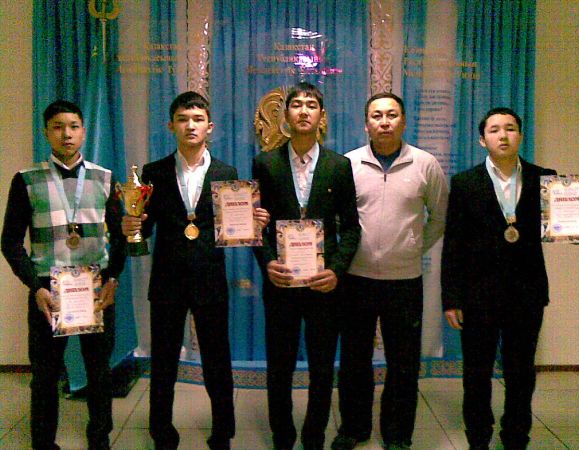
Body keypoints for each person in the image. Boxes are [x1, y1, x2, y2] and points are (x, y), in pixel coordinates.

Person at [121, 91, 268, 450]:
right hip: (167, 281)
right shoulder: (153, 173)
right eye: (183, 119)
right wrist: (132, 226)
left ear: (209, 127)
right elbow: (146, 227)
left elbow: (233, 228)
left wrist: (253, 222)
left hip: (209, 279)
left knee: (218, 361)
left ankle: (223, 431)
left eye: (198, 119)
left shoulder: (226, 174)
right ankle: (161, 432)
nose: (191, 125)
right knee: (164, 362)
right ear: (171, 125)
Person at [1, 100, 126, 450]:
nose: (66, 134)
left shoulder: (104, 178)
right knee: (44, 374)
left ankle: (99, 438)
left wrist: (113, 278)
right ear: (46, 133)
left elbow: (121, 236)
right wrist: (34, 286)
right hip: (47, 290)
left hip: (95, 289)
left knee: (99, 371)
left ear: (83, 131)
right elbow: (10, 241)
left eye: (73, 126)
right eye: (57, 127)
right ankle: (43, 442)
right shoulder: (26, 180)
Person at [332, 93, 448, 450]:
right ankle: (354, 428)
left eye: (392, 115)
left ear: (404, 121)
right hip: (357, 278)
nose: (384, 122)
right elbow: (337, 219)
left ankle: (397, 434)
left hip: (404, 281)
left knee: (404, 363)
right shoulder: (348, 163)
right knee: (354, 360)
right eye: (377, 115)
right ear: (366, 123)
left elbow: (439, 217)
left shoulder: (425, 164)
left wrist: (412, 248)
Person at [252, 82, 360, 450]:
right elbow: (255, 226)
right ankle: (282, 437)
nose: (303, 111)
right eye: (296, 104)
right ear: (286, 115)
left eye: (311, 105)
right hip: (281, 283)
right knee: (279, 367)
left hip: (322, 284)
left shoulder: (339, 165)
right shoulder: (266, 163)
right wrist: (267, 263)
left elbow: (352, 228)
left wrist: (337, 271)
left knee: (321, 367)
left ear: (321, 116)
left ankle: (314, 436)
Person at [441, 107, 557, 450]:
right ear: (482, 140)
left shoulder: (546, 180)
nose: (503, 135)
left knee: (521, 372)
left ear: (520, 135)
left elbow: (565, 227)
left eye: (510, 128)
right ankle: (478, 437)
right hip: (478, 295)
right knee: (476, 373)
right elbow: (453, 244)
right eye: (494, 130)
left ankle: (516, 435)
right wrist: (451, 298)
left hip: (527, 293)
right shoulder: (465, 183)